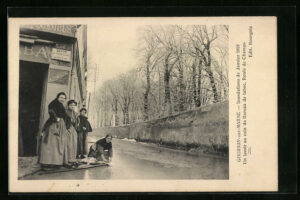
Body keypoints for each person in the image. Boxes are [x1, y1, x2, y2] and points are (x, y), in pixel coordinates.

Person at [39, 92, 69, 168]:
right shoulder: (53, 103)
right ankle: (48, 162)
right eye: (61, 97)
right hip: (53, 124)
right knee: (52, 142)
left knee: (58, 143)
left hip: (61, 124)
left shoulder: (61, 105)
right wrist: (56, 118)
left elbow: (64, 115)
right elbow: (51, 111)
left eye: (64, 98)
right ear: (57, 97)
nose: (62, 99)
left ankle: (56, 161)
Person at [65, 99, 79, 164]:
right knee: (68, 144)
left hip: (73, 129)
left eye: (74, 105)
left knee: (74, 143)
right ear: (68, 106)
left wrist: (77, 123)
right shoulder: (65, 112)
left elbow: (76, 121)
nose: (72, 106)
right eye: (71, 105)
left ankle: (72, 158)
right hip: (67, 129)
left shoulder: (75, 113)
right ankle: (66, 159)